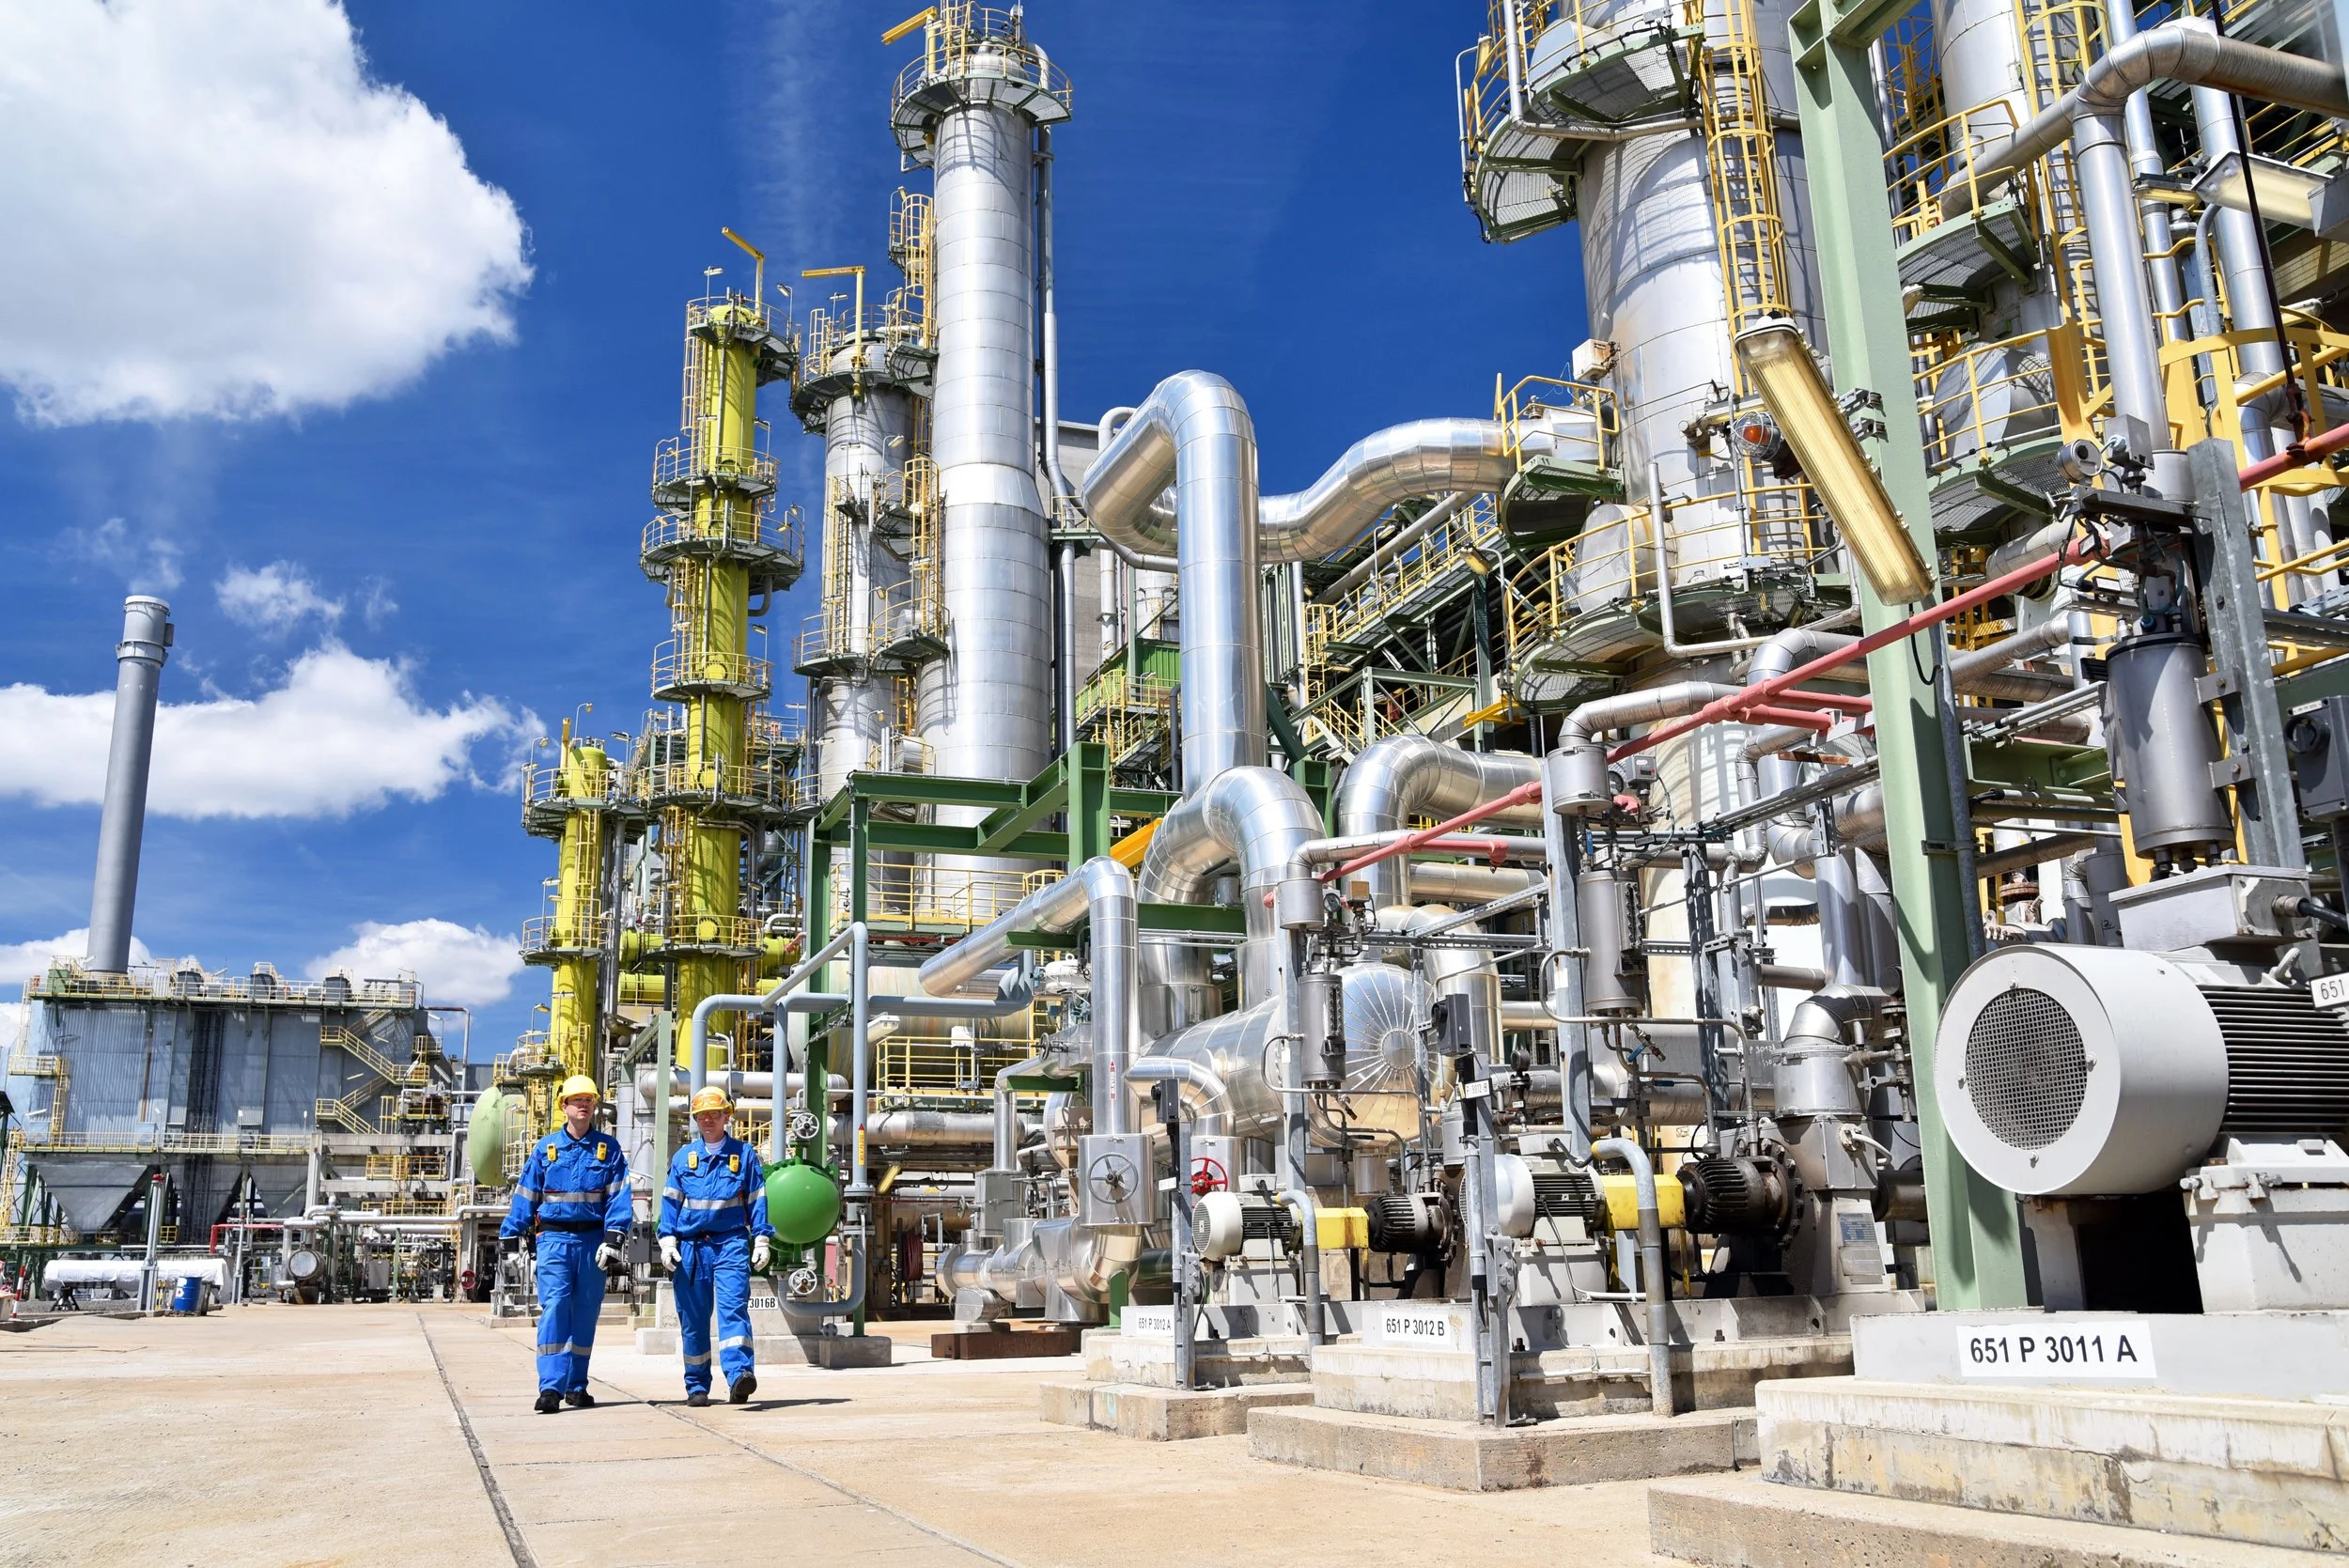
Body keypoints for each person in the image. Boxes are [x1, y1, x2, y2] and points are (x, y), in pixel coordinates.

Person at [501, 1075, 633, 1414]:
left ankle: (576, 1386)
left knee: (586, 1314)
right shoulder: (546, 1150)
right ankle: (550, 1387)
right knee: (556, 1307)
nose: (583, 1104)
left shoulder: (609, 1149)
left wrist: (614, 1238)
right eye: (577, 1100)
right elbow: (526, 1196)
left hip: (592, 1243)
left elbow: (618, 1198)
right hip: (554, 1240)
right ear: (564, 1106)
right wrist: (510, 1237)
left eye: (589, 1099)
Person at [659, 1085, 773, 1407]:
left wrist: (762, 1238)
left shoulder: (744, 1156)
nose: (708, 1120)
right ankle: (697, 1386)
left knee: (733, 1310)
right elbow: (669, 1204)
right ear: (695, 1119)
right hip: (691, 1249)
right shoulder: (683, 1158)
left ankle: (739, 1376)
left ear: (727, 1116)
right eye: (702, 1115)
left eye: (715, 1113)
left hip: (731, 1244)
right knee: (693, 1320)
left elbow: (757, 1200)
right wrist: (667, 1240)